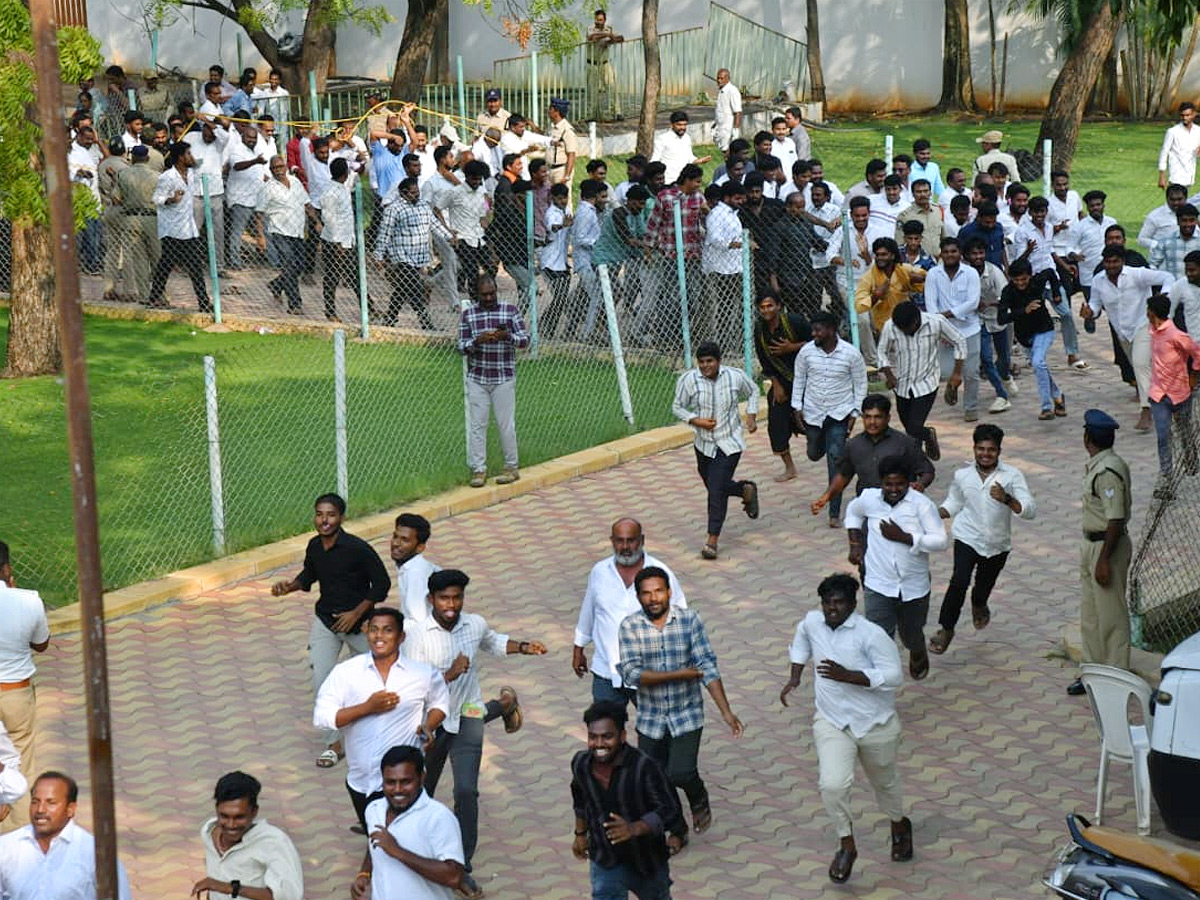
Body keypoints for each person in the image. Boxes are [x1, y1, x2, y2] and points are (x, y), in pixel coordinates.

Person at [404, 569, 545, 896]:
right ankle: (506, 704)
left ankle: (461, 866)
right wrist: (449, 674)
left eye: (457, 597)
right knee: (422, 789)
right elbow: (415, 684)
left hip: (467, 713)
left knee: (466, 791)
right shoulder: (416, 636)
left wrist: (524, 647)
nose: (451, 605)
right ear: (430, 600)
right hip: (432, 723)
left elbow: (493, 640)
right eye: (444, 599)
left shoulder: (474, 624)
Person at [779, 573, 910, 885]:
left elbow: (894, 677)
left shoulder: (871, 635)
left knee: (885, 784)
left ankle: (899, 824)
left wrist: (851, 676)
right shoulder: (813, 622)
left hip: (875, 724)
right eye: (827, 603)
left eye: (838, 603)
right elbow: (801, 641)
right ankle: (846, 844)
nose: (831, 609)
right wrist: (795, 675)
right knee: (833, 784)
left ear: (853, 604)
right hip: (833, 722)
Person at [617, 567, 744, 838]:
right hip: (651, 719)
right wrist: (680, 674)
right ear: (638, 597)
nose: (653, 598)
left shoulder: (690, 621)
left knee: (681, 773)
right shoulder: (630, 627)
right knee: (655, 780)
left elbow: (706, 666)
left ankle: (698, 797)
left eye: (659, 591)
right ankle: (677, 830)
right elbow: (632, 674)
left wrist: (726, 712)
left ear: (669, 592)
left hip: (687, 714)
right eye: (647, 593)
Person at [271, 492, 392, 768]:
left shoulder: (357, 549)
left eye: (331, 515)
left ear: (342, 517)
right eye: (319, 514)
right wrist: (288, 587)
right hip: (326, 621)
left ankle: (388, 735)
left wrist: (357, 614)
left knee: (382, 678)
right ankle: (334, 743)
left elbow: (382, 584)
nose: (324, 520)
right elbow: (309, 576)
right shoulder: (314, 546)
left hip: (360, 625)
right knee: (321, 682)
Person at [313, 605, 448, 832]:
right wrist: (367, 708)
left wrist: (429, 725)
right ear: (366, 632)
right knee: (374, 835)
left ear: (401, 636)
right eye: (374, 630)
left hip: (403, 781)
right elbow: (322, 717)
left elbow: (440, 702)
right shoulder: (346, 673)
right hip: (361, 780)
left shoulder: (422, 674)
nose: (379, 636)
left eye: (387, 630)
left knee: (399, 837)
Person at [928, 424, 1036, 655]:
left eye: (991, 450)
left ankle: (979, 604)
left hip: (997, 544)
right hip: (967, 537)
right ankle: (946, 629)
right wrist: (933, 514)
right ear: (974, 448)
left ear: (999, 451)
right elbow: (954, 503)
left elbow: (1029, 510)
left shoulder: (1012, 476)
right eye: (980, 449)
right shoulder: (962, 475)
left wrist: (1006, 499)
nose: (985, 454)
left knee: (982, 588)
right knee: (959, 581)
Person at [844, 456, 948, 680]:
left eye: (899, 484)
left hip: (914, 586)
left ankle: (917, 650)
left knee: (911, 634)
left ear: (908, 482)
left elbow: (941, 541)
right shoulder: (869, 499)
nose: (893, 489)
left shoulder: (922, 505)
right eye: (888, 484)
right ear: (881, 482)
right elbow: (853, 512)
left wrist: (906, 537)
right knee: (878, 636)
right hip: (878, 584)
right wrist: (855, 545)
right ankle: (880, 681)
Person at [571, 701, 684, 899]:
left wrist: (635, 828)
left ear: (622, 736)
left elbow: (670, 810)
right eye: (593, 737)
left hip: (646, 862)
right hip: (604, 859)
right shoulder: (581, 764)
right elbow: (580, 798)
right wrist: (580, 834)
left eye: (607, 736)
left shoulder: (644, 767)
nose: (599, 745)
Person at [573, 518, 688, 706]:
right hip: (607, 670)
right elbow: (589, 611)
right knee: (606, 729)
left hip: (650, 674)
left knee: (656, 733)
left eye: (631, 540)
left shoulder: (661, 573)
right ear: (612, 541)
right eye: (619, 540)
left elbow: (682, 619)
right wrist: (578, 647)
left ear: (642, 540)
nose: (625, 546)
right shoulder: (599, 572)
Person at [672, 341, 759, 559]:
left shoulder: (735, 376)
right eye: (701, 362)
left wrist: (751, 414)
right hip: (703, 444)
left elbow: (754, 390)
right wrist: (696, 420)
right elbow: (677, 407)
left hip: (729, 442)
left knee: (716, 492)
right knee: (713, 485)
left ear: (719, 361)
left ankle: (712, 540)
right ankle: (744, 489)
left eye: (710, 361)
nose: (705, 366)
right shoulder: (688, 380)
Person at [1067, 410, 1133, 696]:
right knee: (1092, 614)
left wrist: (1104, 559)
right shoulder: (1100, 464)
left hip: (1106, 547)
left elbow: (1115, 519)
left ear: (1086, 438)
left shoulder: (1107, 471)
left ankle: (1117, 676)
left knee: (1112, 616)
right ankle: (1093, 672)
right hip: (1092, 544)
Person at [351, 745, 465, 900]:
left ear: (422, 777)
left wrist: (398, 851)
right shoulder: (374, 810)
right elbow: (376, 842)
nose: (397, 790)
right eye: (390, 782)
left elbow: (454, 877)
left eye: (406, 782)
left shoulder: (438, 818)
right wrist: (364, 873)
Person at [0, 771, 132, 900]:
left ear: (71, 809)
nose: (40, 809)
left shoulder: (94, 853)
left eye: (51, 803)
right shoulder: (6, 847)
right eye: (35, 801)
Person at [1082, 246, 1173, 432]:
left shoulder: (1137, 274)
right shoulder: (1098, 281)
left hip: (1143, 325)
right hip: (1122, 333)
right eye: (1108, 262)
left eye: (1115, 261)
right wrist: (1089, 312)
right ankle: (1166, 398)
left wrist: (1162, 299)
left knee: (1140, 365)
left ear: (1122, 261)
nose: (1111, 265)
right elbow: (1095, 304)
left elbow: (1167, 277)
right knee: (1144, 369)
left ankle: (1146, 411)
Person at [792, 312, 868, 527]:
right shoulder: (806, 353)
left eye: (819, 329)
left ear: (832, 330)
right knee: (814, 453)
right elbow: (799, 380)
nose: (814, 333)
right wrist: (797, 407)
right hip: (813, 413)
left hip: (839, 413)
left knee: (836, 460)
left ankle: (834, 512)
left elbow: (860, 384)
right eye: (813, 329)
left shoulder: (851, 354)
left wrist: (855, 413)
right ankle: (820, 444)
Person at [810, 393, 935, 519]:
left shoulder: (904, 443)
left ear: (888, 418)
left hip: (901, 512)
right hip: (868, 511)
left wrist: (920, 484)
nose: (872, 422)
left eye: (878, 417)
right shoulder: (853, 445)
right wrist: (825, 498)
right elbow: (844, 475)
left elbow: (927, 471)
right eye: (867, 417)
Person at [459, 274, 530, 487]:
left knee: (505, 424)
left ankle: (511, 467)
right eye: (484, 295)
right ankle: (478, 470)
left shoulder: (509, 311)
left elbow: (525, 340)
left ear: (496, 291)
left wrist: (506, 336)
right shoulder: (469, 315)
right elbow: (460, 346)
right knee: (477, 425)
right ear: (477, 295)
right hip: (478, 377)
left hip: (503, 377)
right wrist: (476, 342)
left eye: (492, 294)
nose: (489, 298)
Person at [192, 771, 304, 900]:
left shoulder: (274, 842)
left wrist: (229, 888)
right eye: (224, 816)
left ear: (254, 811)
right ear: (217, 809)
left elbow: (288, 896)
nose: (231, 825)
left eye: (239, 817)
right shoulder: (208, 834)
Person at [876, 300, 964, 461]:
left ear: (916, 322)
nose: (903, 331)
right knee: (908, 427)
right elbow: (881, 352)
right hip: (902, 384)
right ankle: (919, 448)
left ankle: (924, 444)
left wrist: (956, 373)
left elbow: (960, 341)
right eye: (900, 329)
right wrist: (889, 374)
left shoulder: (936, 322)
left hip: (927, 383)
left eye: (906, 329)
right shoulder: (891, 326)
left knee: (914, 426)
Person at [0, 542, 47, 833]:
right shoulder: (29, 601)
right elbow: (41, 644)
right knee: (19, 766)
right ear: (6, 569)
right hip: (16, 694)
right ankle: (15, 841)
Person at [374, 176, 450, 330]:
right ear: (403, 193)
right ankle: (426, 323)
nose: (417, 195)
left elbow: (434, 224)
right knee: (415, 288)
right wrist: (379, 255)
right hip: (402, 256)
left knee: (402, 288)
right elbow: (384, 233)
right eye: (413, 193)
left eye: (417, 192)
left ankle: (390, 318)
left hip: (419, 256)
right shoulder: (393, 209)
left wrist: (449, 237)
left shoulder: (423, 206)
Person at [999, 260, 1068, 420]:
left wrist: (1056, 293)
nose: (1020, 283)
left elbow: (1051, 272)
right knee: (1040, 367)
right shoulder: (1008, 292)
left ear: (1029, 276)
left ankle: (1046, 407)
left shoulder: (1037, 281)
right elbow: (1001, 318)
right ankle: (1057, 395)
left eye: (1024, 279)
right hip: (1024, 336)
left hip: (1044, 329)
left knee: (1038, 363)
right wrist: (1024, 310)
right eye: (1016, 280)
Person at [147, 142, 212, 312]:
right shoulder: (167, 177)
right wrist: (171, 199)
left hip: (188, 228)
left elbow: (200, 165)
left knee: (194, 267)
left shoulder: (191, 174)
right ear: (180, 157)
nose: (191, 157)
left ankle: (203, 302)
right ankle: (154, 297)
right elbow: (156, 198)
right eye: (188, 154)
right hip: (172, 229)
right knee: (167, 265)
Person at [923, 237, 983, 421]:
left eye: (953, 251)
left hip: (969, 329)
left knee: (972, 372)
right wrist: (940, 326)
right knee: (946, 373)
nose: (950, 255)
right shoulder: (933, 274)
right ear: (941, 253)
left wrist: (948, 314)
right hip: (944, 331)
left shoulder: (971, 273)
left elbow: (973, 302)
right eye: (946, 252)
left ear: (960, 253)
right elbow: (930, 304)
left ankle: (971, 408)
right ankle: (953, 383)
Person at [754, 293, 811, 482]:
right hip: (782, 381)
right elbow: (764, 359)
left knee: (812, 421)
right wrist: (776, 385)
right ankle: (789, 467)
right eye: (762, 307)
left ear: (779, 306)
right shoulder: (760, 330)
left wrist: (792, 347)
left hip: (808, 380)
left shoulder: (795, 322)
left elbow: (817, 342)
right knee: (776, 423)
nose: (766, 310)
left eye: (770, 306)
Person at [259, 155, 321, 315]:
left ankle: (276, 284)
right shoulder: (268, 188)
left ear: (285, 167)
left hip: (298, 231)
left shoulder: (295, 182)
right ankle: (295, 304)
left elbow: (306, 204)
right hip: (279, 232)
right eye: (275, 168)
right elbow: (259, 213)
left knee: (299, 265)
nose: (279, 171)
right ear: (271, 170)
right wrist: (260, 236)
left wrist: (316, 221)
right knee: (289, 265)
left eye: (281, 167)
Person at [1146, 293, 1200, 476]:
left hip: (1180, 393)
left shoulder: (1176, 335)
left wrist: (1194, 375)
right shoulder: (1152, 330)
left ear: (1151, 313)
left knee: (1185, 433)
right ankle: (1166, 474)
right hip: (1158, 395)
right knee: (1163, 437)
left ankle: (1192, 465)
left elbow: (1197, 353)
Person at [854, 237, 926, 368]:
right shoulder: (868, 277)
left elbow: (927, 279)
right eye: (877, 255)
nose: (879, 258)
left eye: (884, 254)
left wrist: (920, 278)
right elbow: (859, 306)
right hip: (883, 327)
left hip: (906, 323)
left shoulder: (903, 270)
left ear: (892, 255)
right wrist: (876, 295)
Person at [651, 110, 709, 186]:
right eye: (679, 125)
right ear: (672, 125)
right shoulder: (663, 139)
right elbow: (655, 160)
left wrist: (699, 161)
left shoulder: (687, 138)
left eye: (684, 125)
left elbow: (689, 158)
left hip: (685, 182)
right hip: (669, 182)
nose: (682, 127)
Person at [586, 10, 624, 121]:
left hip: (605, 63)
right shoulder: (591, 29)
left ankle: (617, 112)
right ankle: (593, 114)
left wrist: (610, 41)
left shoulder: (609, 28)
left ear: (604, 20)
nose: (599, 22)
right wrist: (607, 35)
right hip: (592, 64)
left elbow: (621, 38)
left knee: (611, 87)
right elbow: (591, 37)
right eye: (597, 20)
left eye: (601, 20)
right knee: (593, 90)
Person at [1149, 203, 1200, 279]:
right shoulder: (1166, 241)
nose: (1188, 224)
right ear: (1177, 221)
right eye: (1184, 220)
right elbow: (1152, 265)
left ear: (1196, 221)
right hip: (1172, 288)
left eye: (1191, 220)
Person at [1158, 101, 1200, 189]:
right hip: (1176, 177)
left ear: (1194, 114)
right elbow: (1164, 152)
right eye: (1182, 115)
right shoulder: (1173, 132)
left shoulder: (1198, 131)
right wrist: (1162, 175)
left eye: (1188, 115)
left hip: (1190, 176)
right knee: (1177, 201)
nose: (1185, 118)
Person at [546, 98, 578, 188]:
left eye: (550, 109)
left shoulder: (566, 131)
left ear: (557, 112)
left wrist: (567, 175)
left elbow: (571, 154)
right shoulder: (551, 127)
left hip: (561, 170)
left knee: (562, 199)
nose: (548, 111)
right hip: (549, 169)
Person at [712, 68, 742, 153]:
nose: (719, 80)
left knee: (728, 152)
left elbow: (738, 112)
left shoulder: (732, 91)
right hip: (721, 127)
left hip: (728, 128)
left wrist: (735, 130)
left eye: (721, 78)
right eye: (718, 78)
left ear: (727, 78)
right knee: (723, 151)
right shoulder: (722, 91)